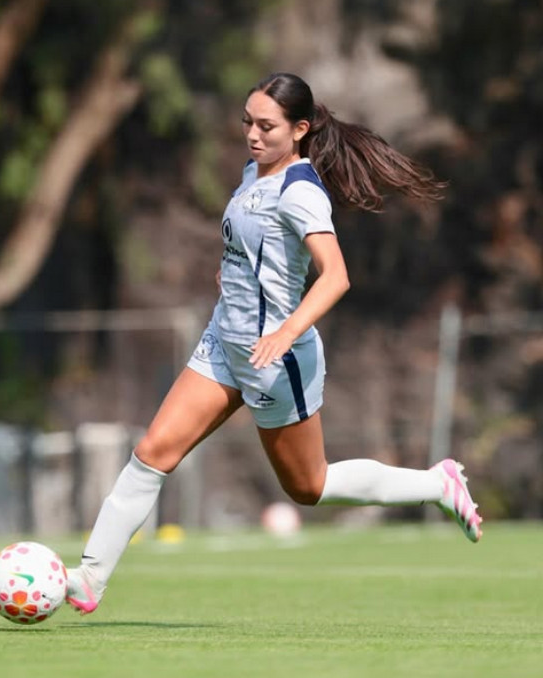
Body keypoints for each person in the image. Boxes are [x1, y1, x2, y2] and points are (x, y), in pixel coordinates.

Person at [65, 72, 480, 615]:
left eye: (266, 126)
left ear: (300, 129)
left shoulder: (300, 192)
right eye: (247, 122)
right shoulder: (252, 173)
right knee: (151, 454)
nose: (252, 135)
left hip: (277, 361)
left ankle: (437, 484)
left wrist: (284, 333)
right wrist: (234, 276)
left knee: (309, 487)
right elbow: (254, 250)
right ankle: (89, 579)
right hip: (224, 343)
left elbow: (335, 276)